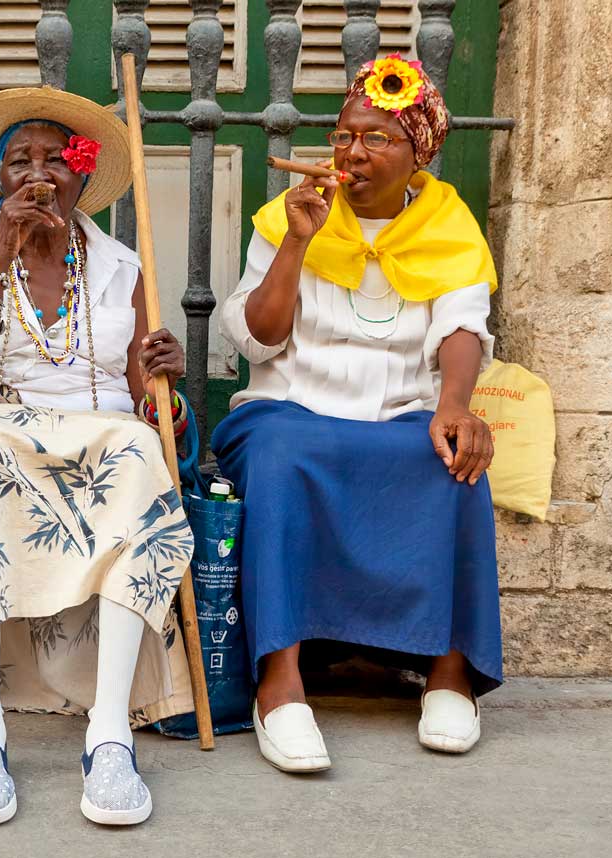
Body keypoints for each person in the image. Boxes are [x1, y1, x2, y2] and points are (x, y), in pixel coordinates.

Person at [0, 86, 194, 827]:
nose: (38, 174)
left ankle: (108, 734)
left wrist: (164, 371)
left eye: (55, 159)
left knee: (139, 450)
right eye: (19, 161)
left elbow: (148, 406)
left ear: (81, 175)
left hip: (98, 429)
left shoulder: (122, 266)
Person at [214, 54, 502, 771]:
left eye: (377, 138)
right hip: (289, 407)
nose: (353, 151)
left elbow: (463, 326)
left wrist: (455, 407)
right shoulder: (290, 215)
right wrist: (297, 241)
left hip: (402, 408)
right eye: (345, 135)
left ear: (418, 154)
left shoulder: (448, 223)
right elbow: (259, 335)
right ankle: (280, 684)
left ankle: (450, 672)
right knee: (280, 461)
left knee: (454, 464)